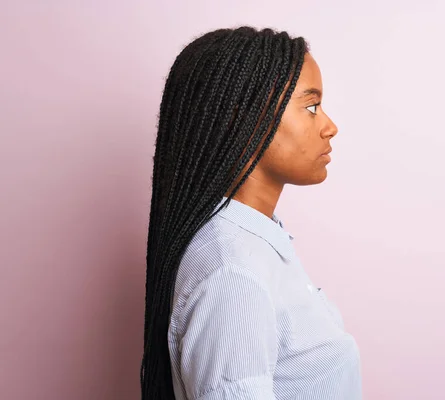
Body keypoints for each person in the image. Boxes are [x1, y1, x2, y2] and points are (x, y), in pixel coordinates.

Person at [141, 26, 362, 400]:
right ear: (242, 118)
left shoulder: (253, 244)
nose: (329, 126)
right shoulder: (234, 272)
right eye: (311, 107)